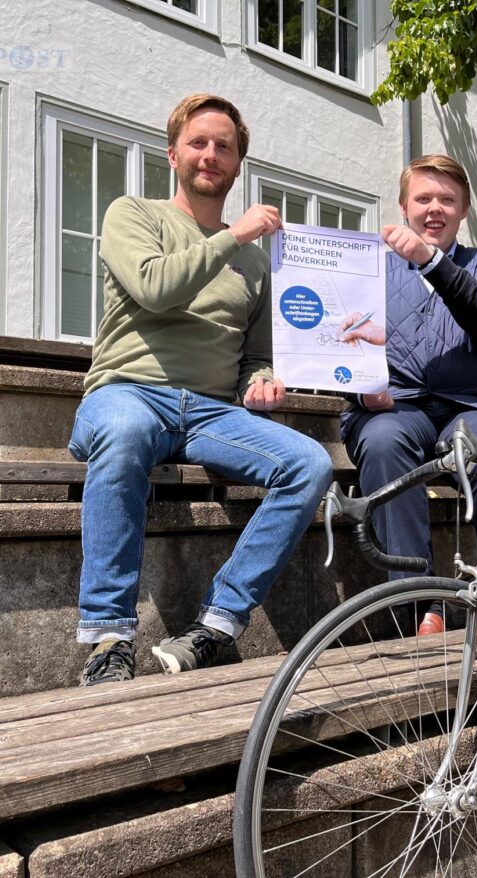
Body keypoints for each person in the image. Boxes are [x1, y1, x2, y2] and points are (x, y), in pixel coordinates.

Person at [71, 94, 334, 686]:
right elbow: (154, 287)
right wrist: (231, 236)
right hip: (127, 392)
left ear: (238, 163)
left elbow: (256, 355)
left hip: (211, 412)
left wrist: (261, 381)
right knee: (126, 430)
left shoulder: (258, 266)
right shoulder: (133, 215)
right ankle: (109, 638)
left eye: (224, 146)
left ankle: (217, 624)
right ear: (173, 154)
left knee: (309, 463)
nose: (210, 154)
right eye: (198, 142)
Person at [340, 154, 477, 635]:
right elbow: (336, 344)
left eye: (447, 199)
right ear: (404, 207)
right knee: (383, 443)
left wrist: (431, 262)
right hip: (397, 406)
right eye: (423, 198)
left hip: (470, 406)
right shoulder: (372, 271)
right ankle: (421, 602)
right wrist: (364, 392)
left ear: (464, 209)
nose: (434, 209)